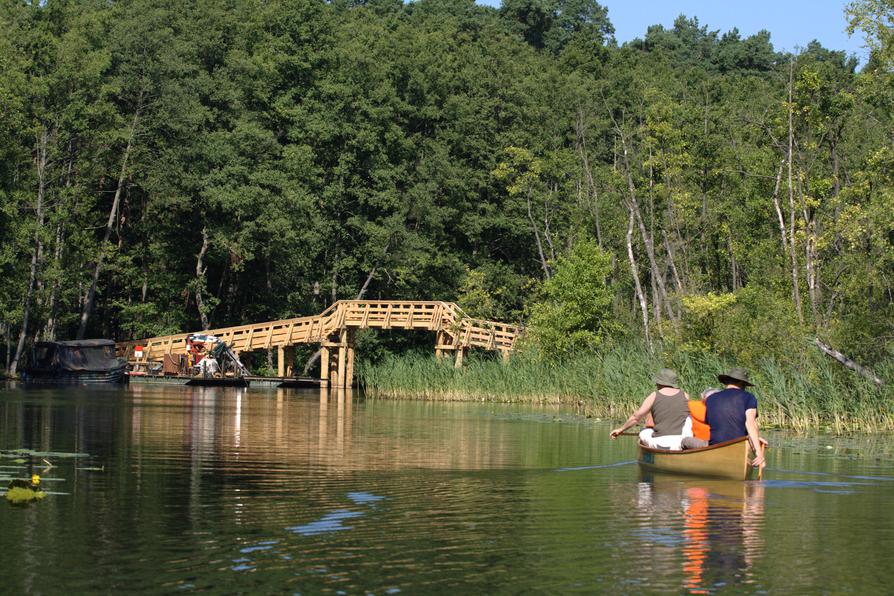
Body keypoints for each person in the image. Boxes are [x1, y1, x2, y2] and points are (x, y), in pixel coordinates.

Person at [610, 368, 692, 450]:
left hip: (660, 443)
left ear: (659, 382)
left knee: (644, 431)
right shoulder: (685, 395)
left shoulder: (654, 395)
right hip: (681, 442)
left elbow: (636, 417)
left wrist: (621, 429)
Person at [704, 368, 765, 467]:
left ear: (727, 381)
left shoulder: (710, 398)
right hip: (739, 447)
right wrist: (759, 453)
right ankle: (757, 460)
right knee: (754, 435)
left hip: (715, 445)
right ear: (742, 382)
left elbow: (708, 422)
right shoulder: (749, 397)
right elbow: (751, 424)